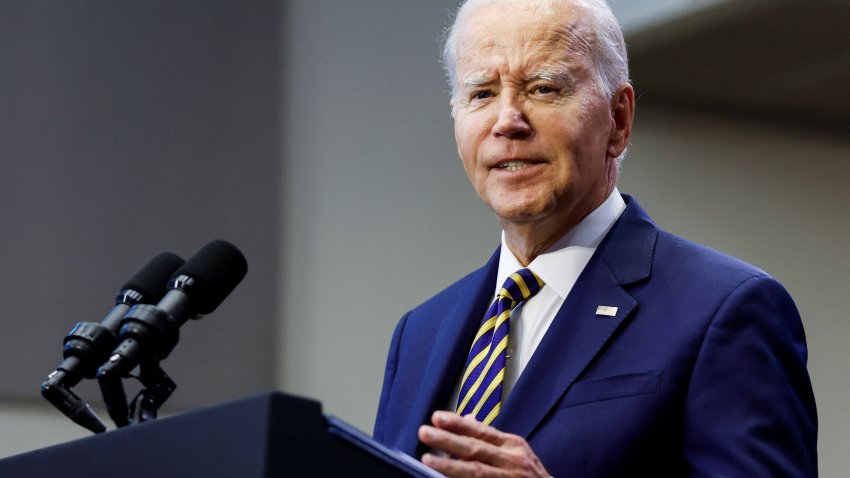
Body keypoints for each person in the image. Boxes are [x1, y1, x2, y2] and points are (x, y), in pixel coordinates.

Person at [372, 0, 818, 476]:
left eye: (543, 88)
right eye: (481, 94)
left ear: (619, 120)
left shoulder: (726, 310)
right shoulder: (419, 334)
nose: (506, 122)